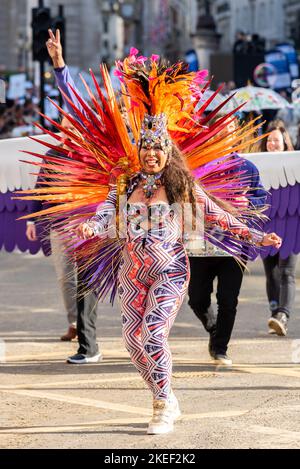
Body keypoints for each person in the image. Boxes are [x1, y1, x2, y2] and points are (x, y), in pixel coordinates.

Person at [21, 47, 281, 435]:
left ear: (167, 151)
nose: (152, 154)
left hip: (170, 270)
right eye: (147, 148)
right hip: (132, 272)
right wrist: (93, 228)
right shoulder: (123, 182)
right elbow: (106, 213)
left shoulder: (181, 184)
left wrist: (257, 234)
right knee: (132, 340)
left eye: (159, 148)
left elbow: (217, 215)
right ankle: (166, 393)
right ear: (139, 152)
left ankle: (162, 403)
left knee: (154, 333)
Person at [187, 115, 268, 365]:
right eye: (221, 129)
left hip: (234, 244)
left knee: (228, 300)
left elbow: (261, 198)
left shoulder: (246, 168)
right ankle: (214, 328)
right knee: (197, 298)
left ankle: (220, 347)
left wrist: (249, 203)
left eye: (231, 129)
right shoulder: (196, 166)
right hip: (200, 244)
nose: (226, 133)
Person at [26, 116, 101, 364]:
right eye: (64, 128)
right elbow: (40, 188)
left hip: (86, 227)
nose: (68, 133)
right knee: (66, 277)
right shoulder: (52, 154)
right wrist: (32, 220)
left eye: (73, 128)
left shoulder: (93, 154)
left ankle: (86, 335)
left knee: (86, 282)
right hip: (59, 226)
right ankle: (74, 322)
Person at [259, 120, 297, 336]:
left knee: (287, 272)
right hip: (267, 224)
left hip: (290, 223)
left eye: (277, 140)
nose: (273, 144)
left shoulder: (295, 163)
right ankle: (275, 311)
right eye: (269, 141)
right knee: (271, 272)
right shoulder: (258, 164)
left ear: (285, 143)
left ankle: (283, 315)